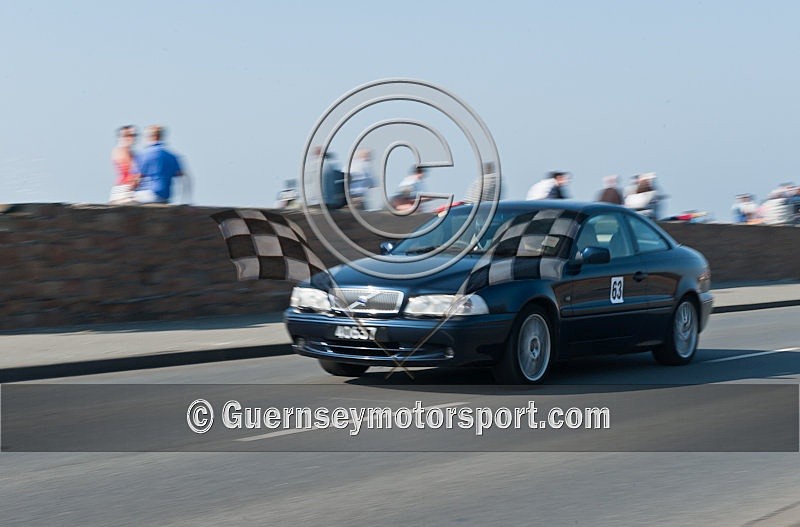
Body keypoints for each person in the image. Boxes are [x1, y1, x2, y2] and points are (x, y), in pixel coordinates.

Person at [134, 125, 185, 204]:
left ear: (151, 136)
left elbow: (137, 178)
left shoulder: (144, 155)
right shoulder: (172, 155)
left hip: (148, 194)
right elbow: (180, 174)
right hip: (165, 196)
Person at [109, 125, 140, 204]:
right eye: (128, 135)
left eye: (134, 135)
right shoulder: (121, 150)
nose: (132, 138)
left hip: (126, 189)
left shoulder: (130, 152)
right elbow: (131, 171)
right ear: (121, 137)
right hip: (124, 190)